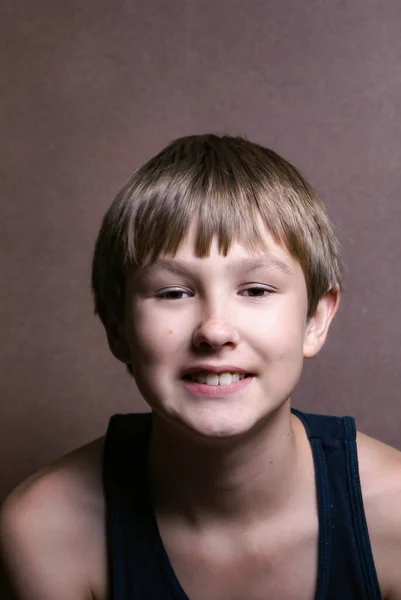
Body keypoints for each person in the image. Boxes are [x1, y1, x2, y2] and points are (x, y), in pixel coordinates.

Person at [1, 134, 401, 600]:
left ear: (315, 319)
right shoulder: (47, 532)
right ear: (118, 329)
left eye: (255, 290)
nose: (214, 330)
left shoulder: (393, 515)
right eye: (173, 293)